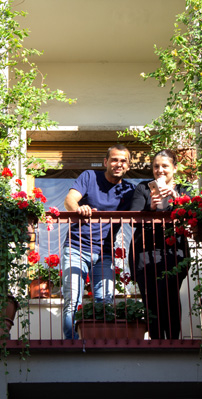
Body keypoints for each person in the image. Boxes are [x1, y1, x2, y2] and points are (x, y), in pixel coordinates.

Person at [62, 144, 135, 339]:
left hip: (105, 252)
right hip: (76, 247)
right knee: (72, 300)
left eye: (123, 161)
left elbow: (142, 209)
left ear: (128, 166)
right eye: (114, 159)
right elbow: (69, 200)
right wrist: (78, 208)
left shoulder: (129, 190)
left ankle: (100, 345)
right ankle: (71, 345)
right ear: (105, 162)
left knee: (105, 301)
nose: (118, 164)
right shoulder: (89, 176)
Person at [128, 150, 190, 340]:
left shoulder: (184, 189)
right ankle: (156, 341)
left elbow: (191, 214)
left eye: (165, 166)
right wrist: (151, 208)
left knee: (170, 296)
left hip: (174, 251)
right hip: (144, 251)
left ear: (174, 168)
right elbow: (133, 219)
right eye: (156, 166)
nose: (160, 170)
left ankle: (173, 341)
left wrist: (175, 197)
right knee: (150, 299)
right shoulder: (143, 188)